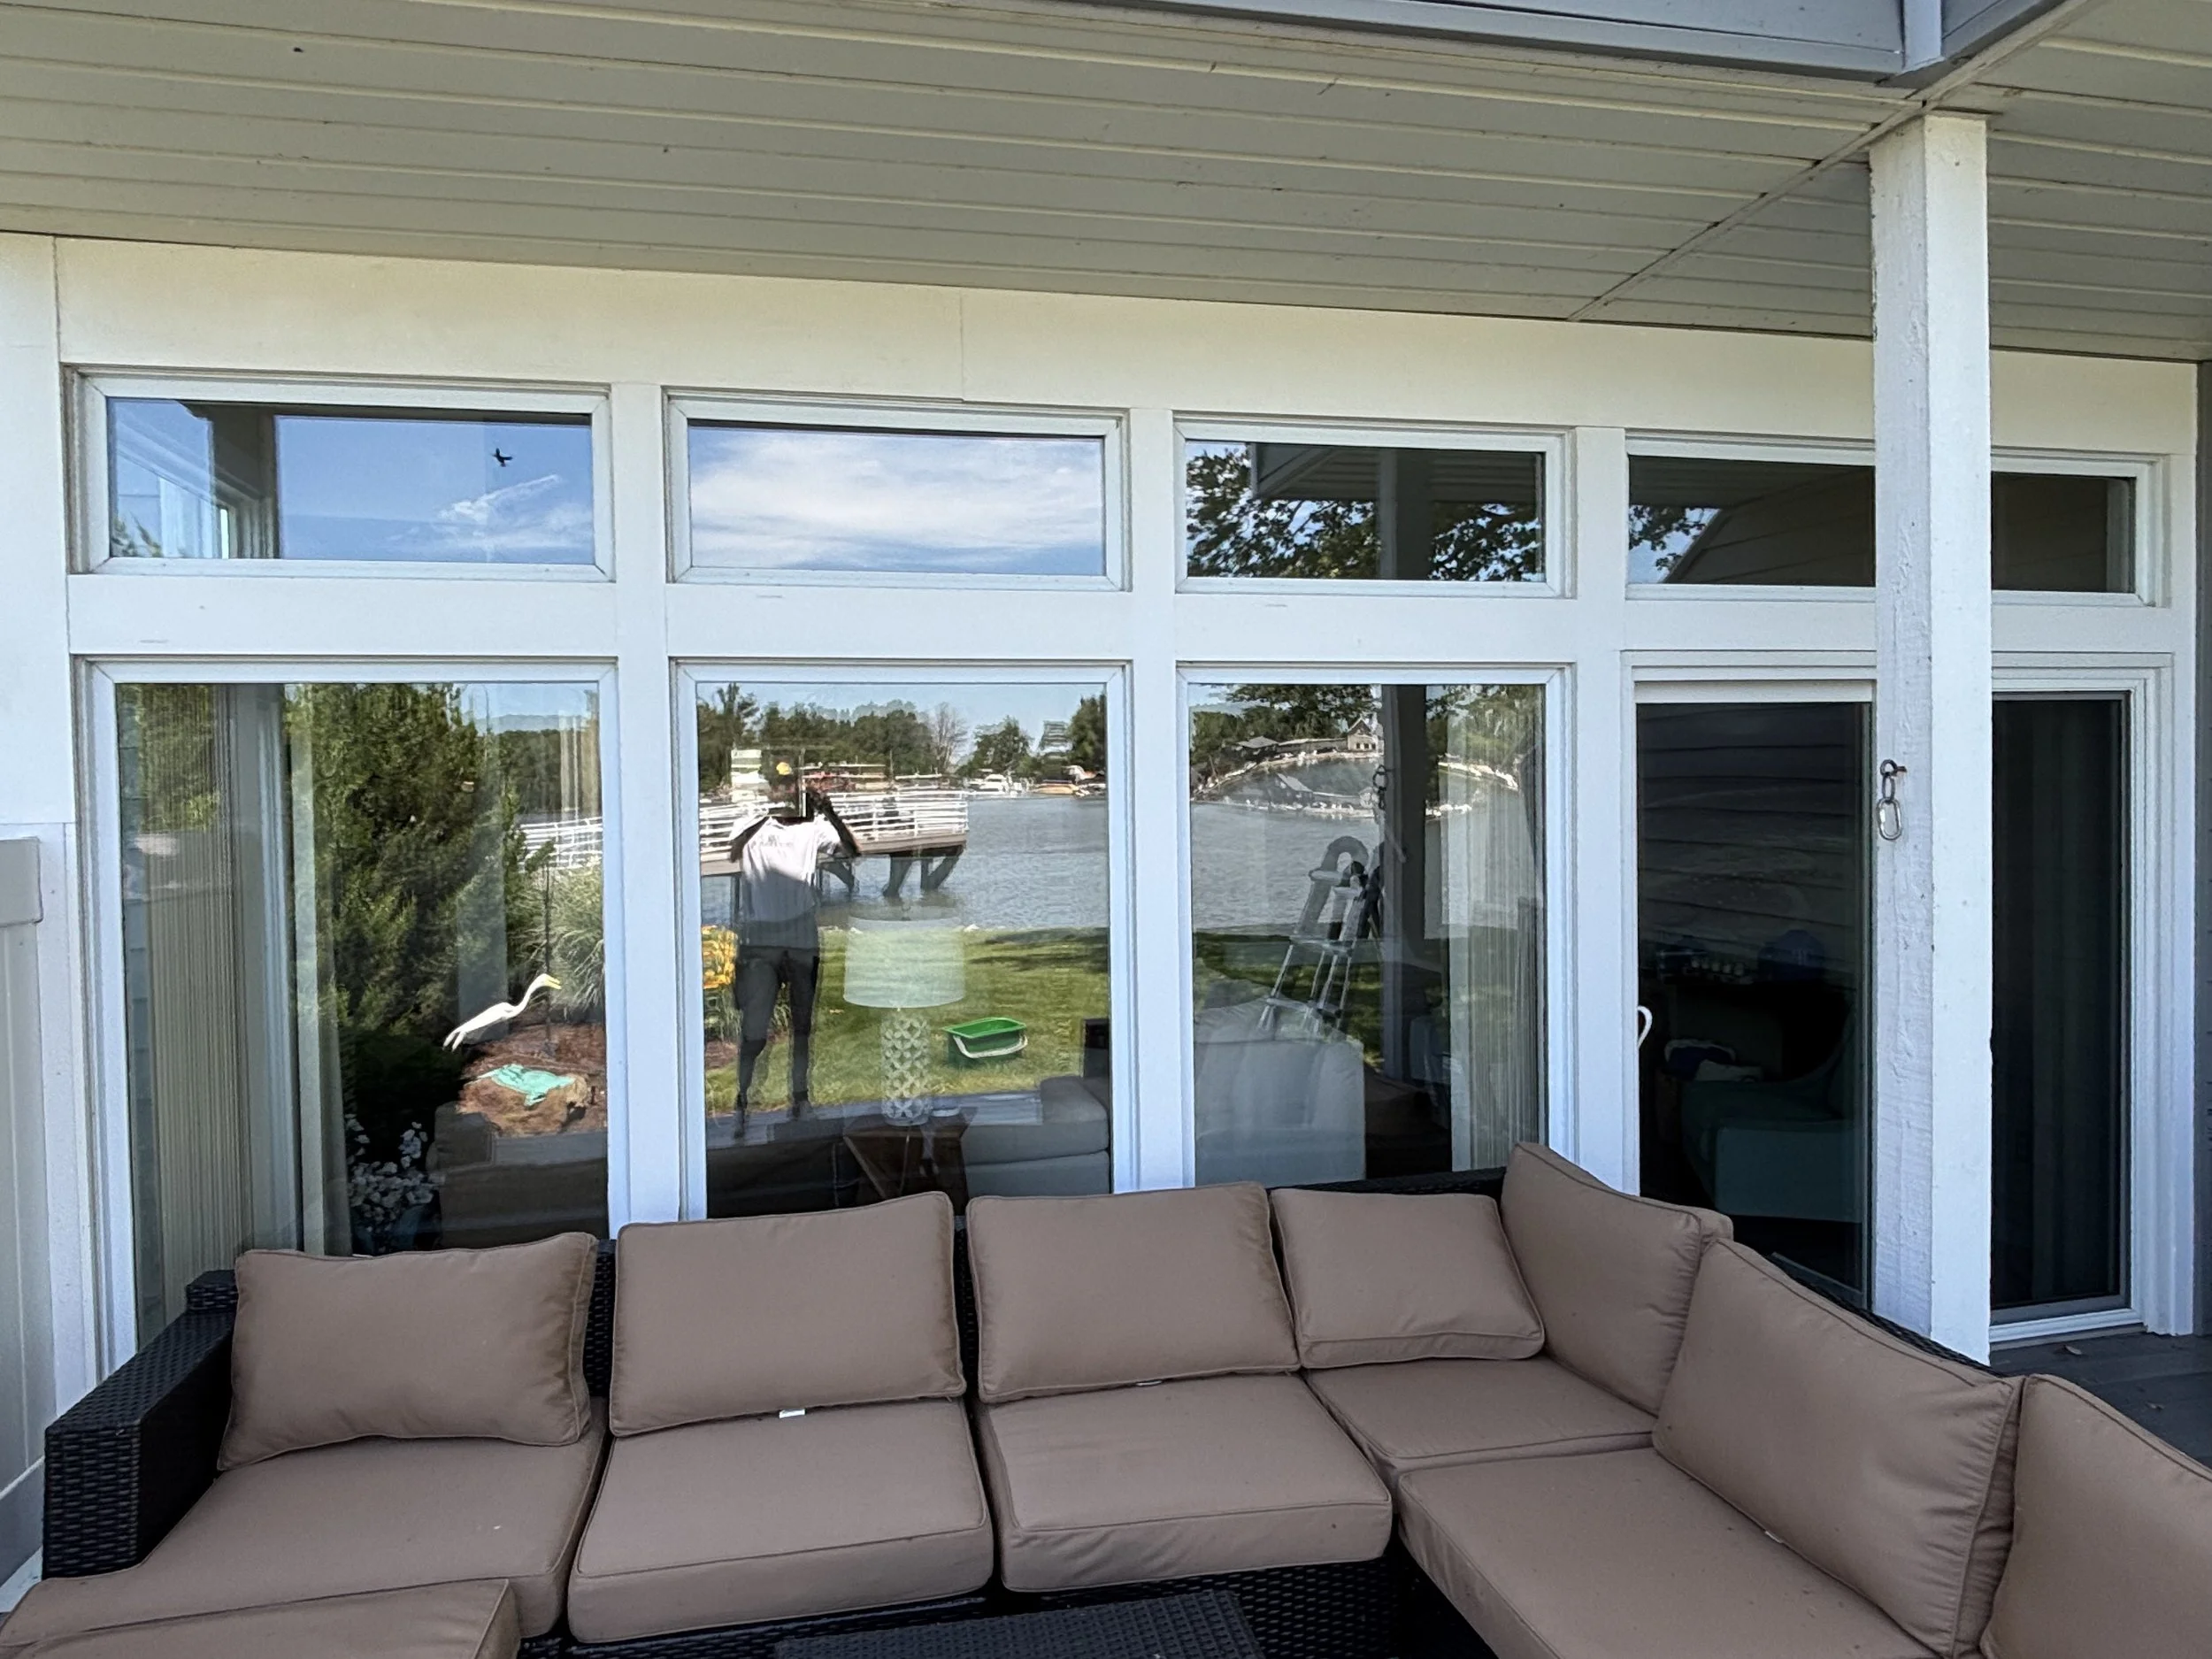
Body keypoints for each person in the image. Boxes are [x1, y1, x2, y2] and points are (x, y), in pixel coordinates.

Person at [728, 776, 859, 1119]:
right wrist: (767, 814)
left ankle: (799, 1096)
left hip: (800, 933)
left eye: (790, 788)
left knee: (803, 1024)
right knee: (754, 1026)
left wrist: (827, 810)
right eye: (779, 786)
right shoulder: (750, 824)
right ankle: (742, 1099)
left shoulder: (814, 828)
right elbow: (733, 850)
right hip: (759, 938)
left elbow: (852, 851)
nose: (784, 793)